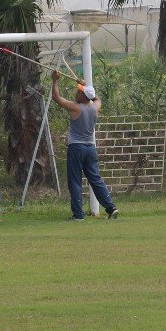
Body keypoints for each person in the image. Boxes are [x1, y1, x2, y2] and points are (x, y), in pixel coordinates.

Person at [51, 70, 119, 221]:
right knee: (96, 179)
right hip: (90, 148)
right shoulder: (95, 107)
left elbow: (56, 98)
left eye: (79, 92)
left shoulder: (76, 108)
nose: (77, 92)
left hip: (76, 148)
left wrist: (55, 80)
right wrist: (85, 86)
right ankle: (111, 207)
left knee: (75, 180)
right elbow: (96, 97)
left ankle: (78, 215)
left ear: (83, 96)